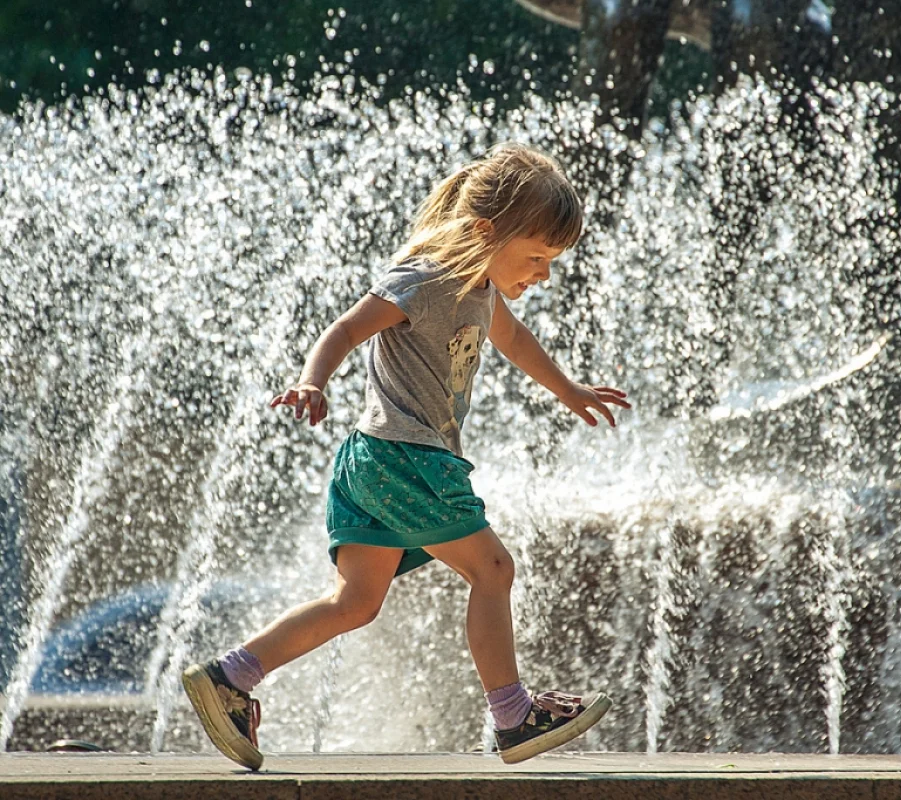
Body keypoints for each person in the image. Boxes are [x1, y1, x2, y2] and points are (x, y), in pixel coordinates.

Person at [180, 142, 631, 770]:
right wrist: (315, 381)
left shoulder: (481, 294)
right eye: (536, 257)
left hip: (374, 464)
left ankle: (233, 676)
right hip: (407, 457)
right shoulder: (424, 280)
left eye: (551, 261)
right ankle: (513, 714)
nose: (544, 274)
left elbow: (518, 344)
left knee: (355, 604)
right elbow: (343, 329)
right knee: (493, 571)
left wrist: (569, 391)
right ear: (484, 232)